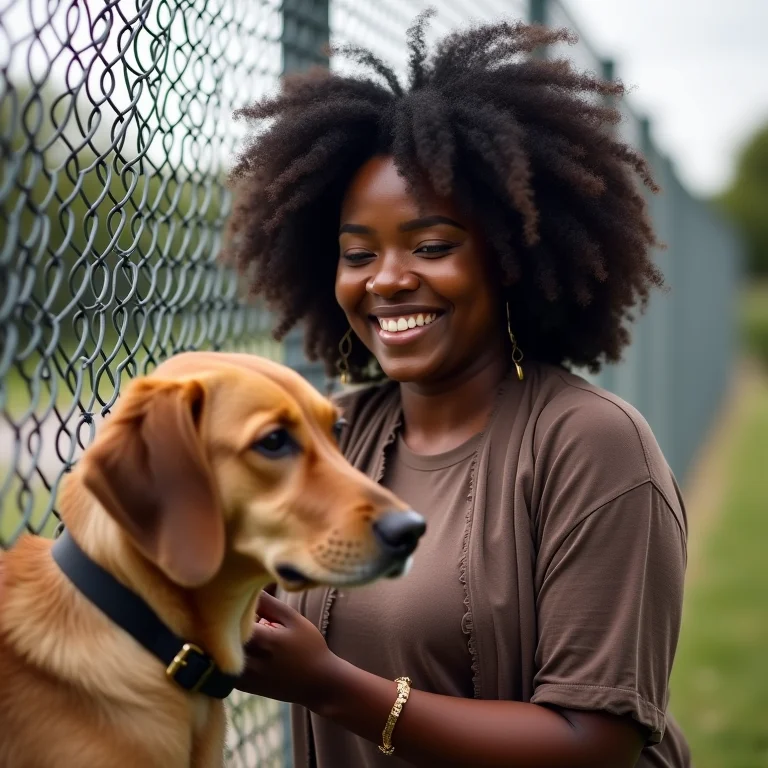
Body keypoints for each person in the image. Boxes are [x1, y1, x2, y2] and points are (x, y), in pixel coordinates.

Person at [223, 11, 691, 768]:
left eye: (432, 246)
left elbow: (595, 743)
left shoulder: (592, 446)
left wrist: (332, 686)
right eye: (357, 254)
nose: (386, 279)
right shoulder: (329, 435)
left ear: (510, 256)